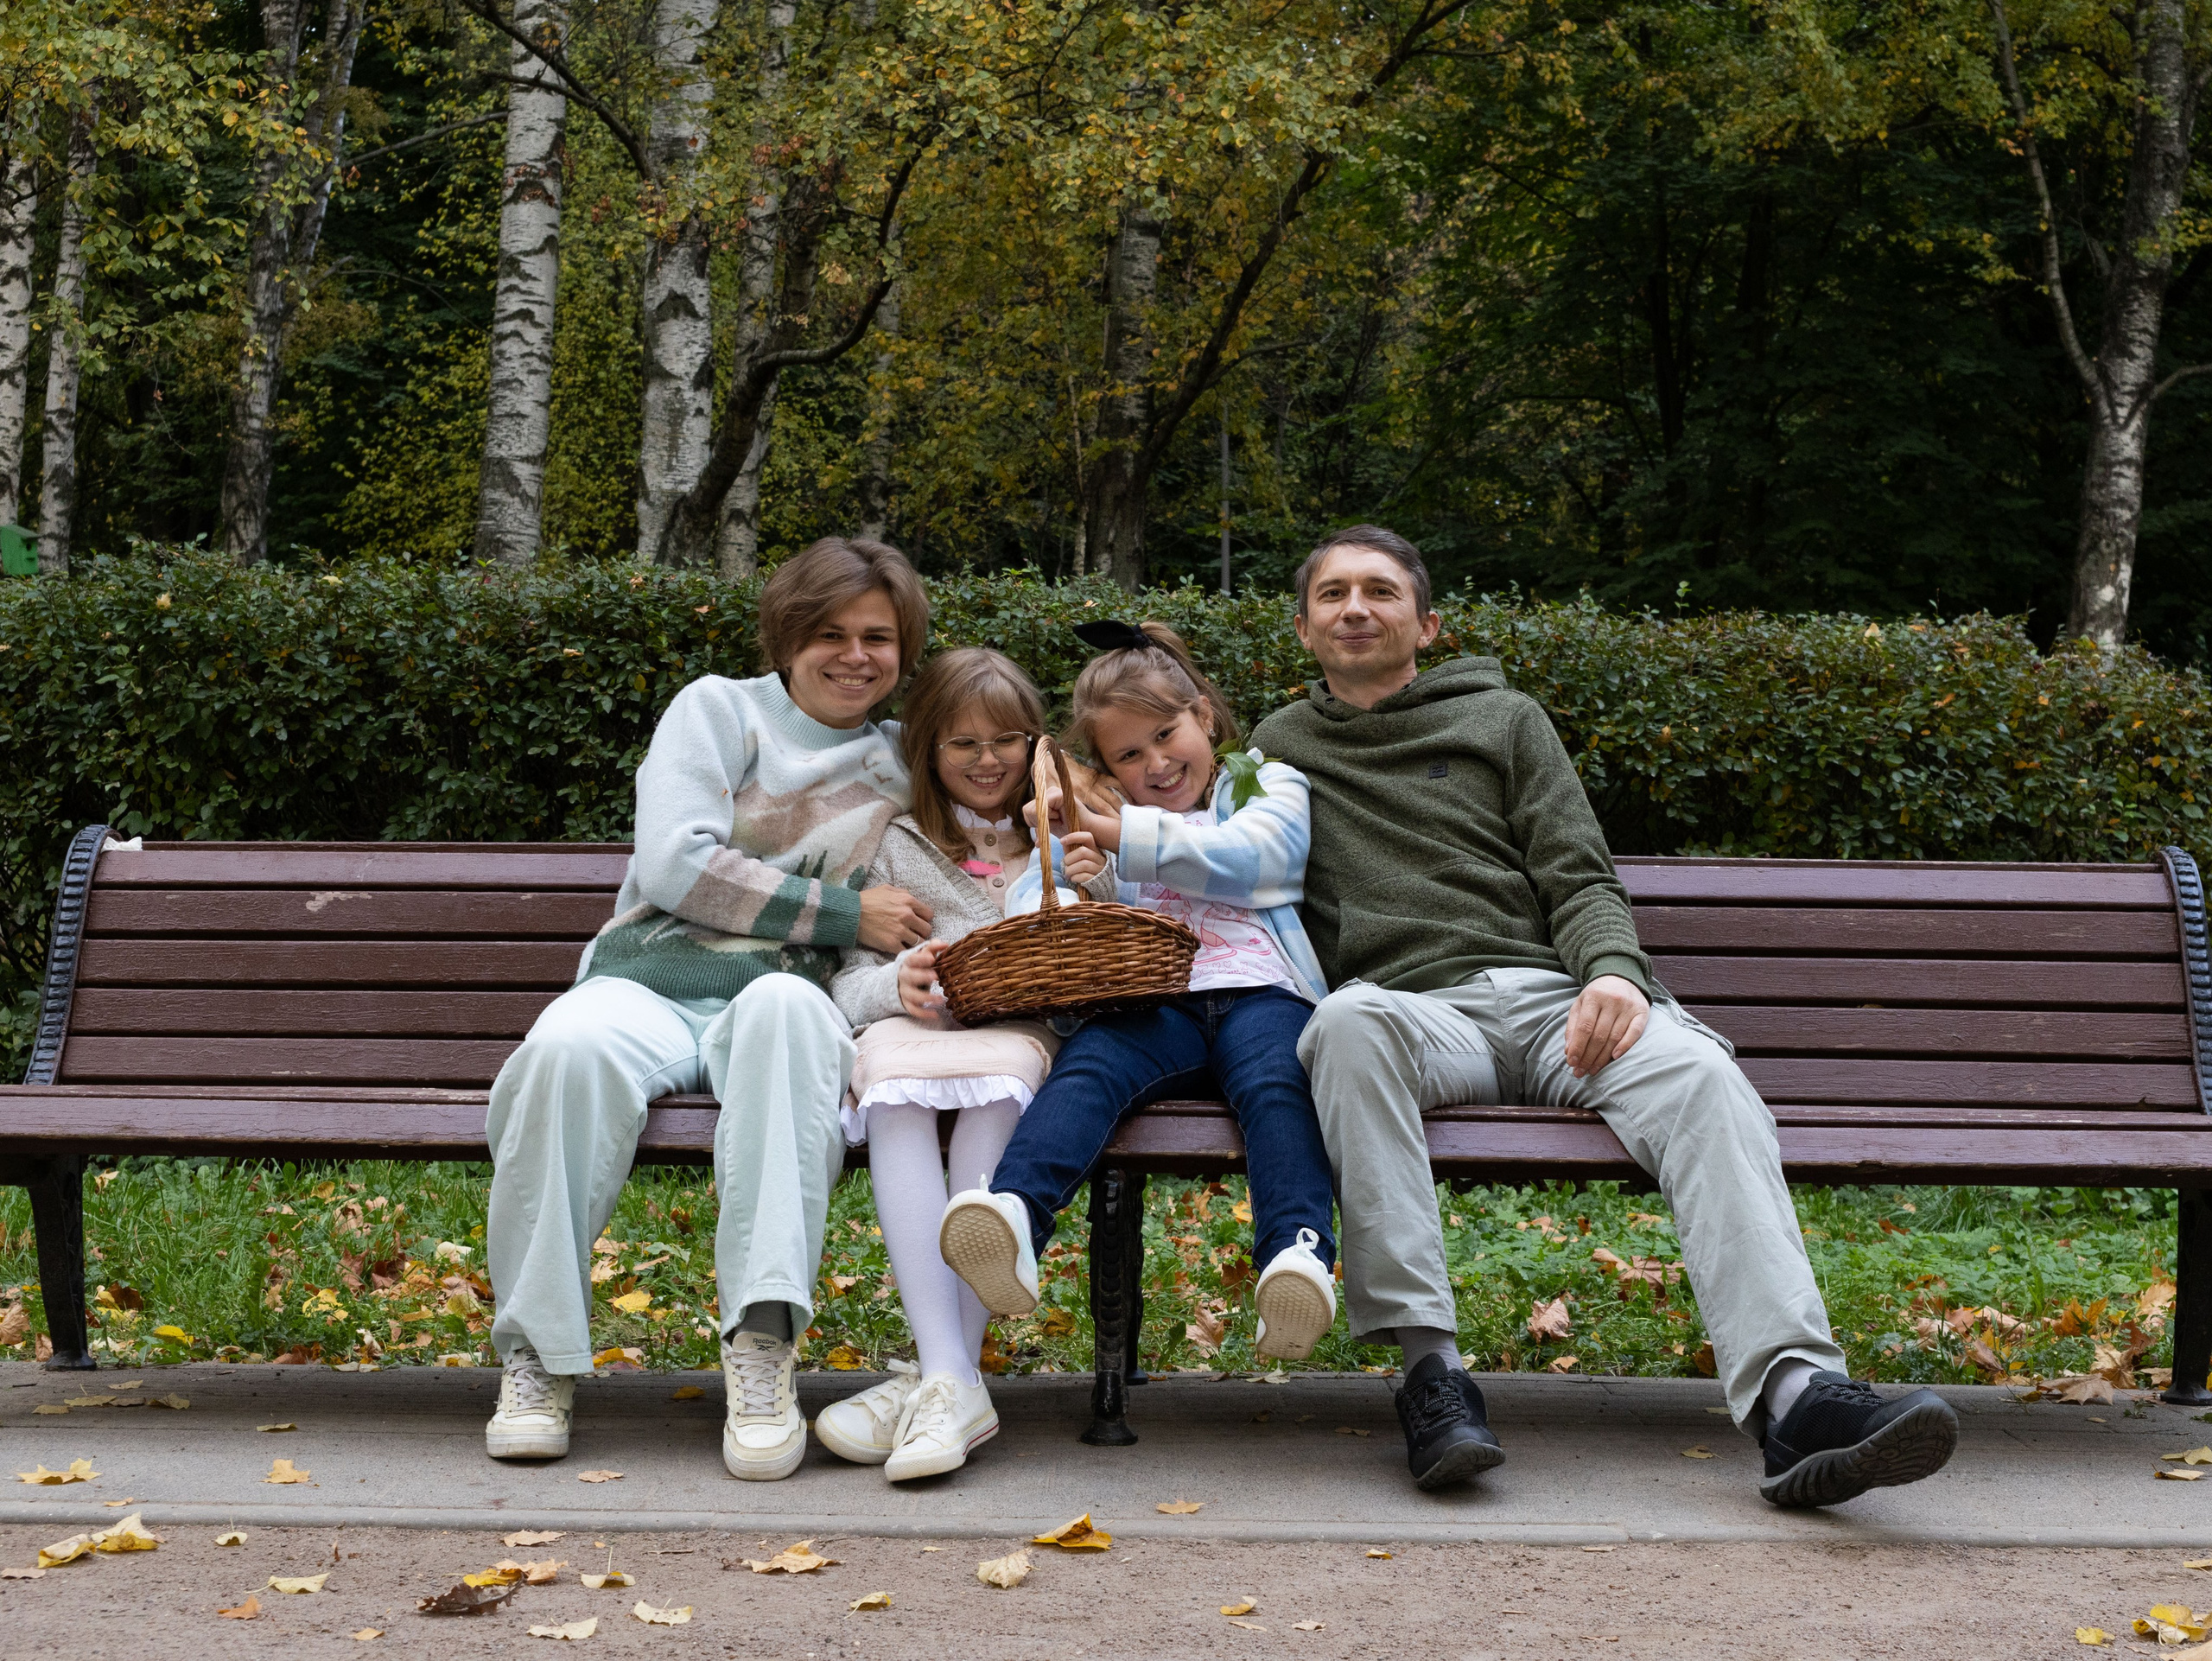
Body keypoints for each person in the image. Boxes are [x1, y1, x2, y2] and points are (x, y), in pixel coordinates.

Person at [1251, 525, 1960, 1508]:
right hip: (1414, 1016)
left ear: (1427, 619)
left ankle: (1795, 1398)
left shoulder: (1503, 719)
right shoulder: (1273, 750)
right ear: (1302, 626)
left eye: (1379, 589)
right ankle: (1431, 1375)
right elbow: (1220, 862)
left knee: (1700, 1073)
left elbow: (1577, 872)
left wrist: (1617, 975)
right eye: (1332, 594)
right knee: (1343, 1022)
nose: (1356, 608)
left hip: (1555, 1003)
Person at [479, 536, 937, 1481]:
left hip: (788, 994)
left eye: (879, 637)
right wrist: (845, 909)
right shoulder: (718, 710)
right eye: (830, 633)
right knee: (563, 1049)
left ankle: (762, 1342)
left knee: (786, 1014)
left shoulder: (905, 758)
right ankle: (537, 1356)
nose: (855, 655)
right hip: (650, 980)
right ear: (786, 634)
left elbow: (991, 824)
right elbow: (677, 865)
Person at [938, 620, 1340, 1365]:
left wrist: (1120, 834)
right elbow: (1034, 906)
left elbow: (1263, 859)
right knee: (1091, 1068)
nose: (1156, 763)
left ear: (1206, 717)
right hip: (1151, 1000)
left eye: (1167, 734)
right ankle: (1015, 1218)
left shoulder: (1260, 784)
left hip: (1262, 992)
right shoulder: (1097, 824)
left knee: (1280, 1086)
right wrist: (1084, 878)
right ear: (1104, 764)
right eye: (1129, 753)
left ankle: (1297, 1256)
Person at [813, 648, 1116, 1483]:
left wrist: (1095, 884)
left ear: (1036, 744)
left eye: (1006, 741)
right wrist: (893, 984)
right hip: (916, 1036)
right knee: (895, 1097)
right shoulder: (898, 844)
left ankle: (941, 1377)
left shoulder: (1067, 834)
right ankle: (953, 1377)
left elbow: (1110, 959)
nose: (987, 761)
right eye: (961, 745)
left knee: (996, 1092)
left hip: (1019, 1038)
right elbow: (850, 979)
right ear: (927, 751)